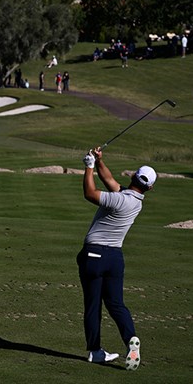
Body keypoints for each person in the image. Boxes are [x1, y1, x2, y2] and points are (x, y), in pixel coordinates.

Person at [78, 147, 155, 370]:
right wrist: (100, 161)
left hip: (94, 256)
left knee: (93, 305)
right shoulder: (136, 201)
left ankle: (95, 351)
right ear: (150, 187)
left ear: (132, 176)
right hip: (115, 258)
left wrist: (89, 166)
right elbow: (109, 179)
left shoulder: (119, 200)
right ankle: (130, 338)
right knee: (116, 304)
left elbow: (90, 193)